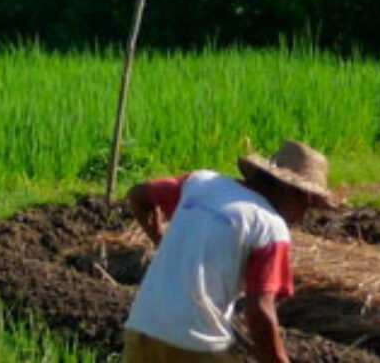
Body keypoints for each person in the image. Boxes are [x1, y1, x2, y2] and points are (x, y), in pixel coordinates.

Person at [122, 140, 334, 363]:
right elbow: (260, 311)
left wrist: (159, 239)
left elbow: (137, 194)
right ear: (292, 192)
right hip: (197, 343)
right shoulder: (270, 226)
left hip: (142, 328)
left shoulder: (201, 183)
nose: (301, 217)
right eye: (307, 207)